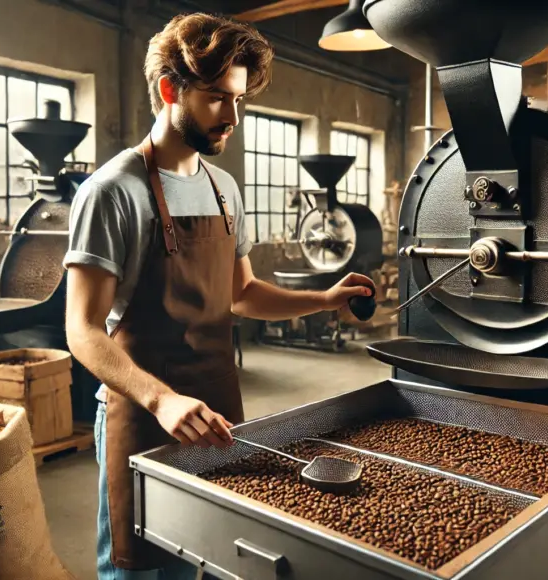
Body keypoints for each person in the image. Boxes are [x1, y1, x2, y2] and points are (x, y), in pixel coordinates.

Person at [63, 12, 376, 580]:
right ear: (168, 91)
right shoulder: (111, 192)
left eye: (237, 99)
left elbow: (243, 293)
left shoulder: (223, 187)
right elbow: (81, 330)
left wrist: (325, 298)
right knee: (136, 567)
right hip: (143, 413)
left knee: (199, 554)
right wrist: (161, 400)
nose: (232, 117)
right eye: (215, 98)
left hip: (216, 411)